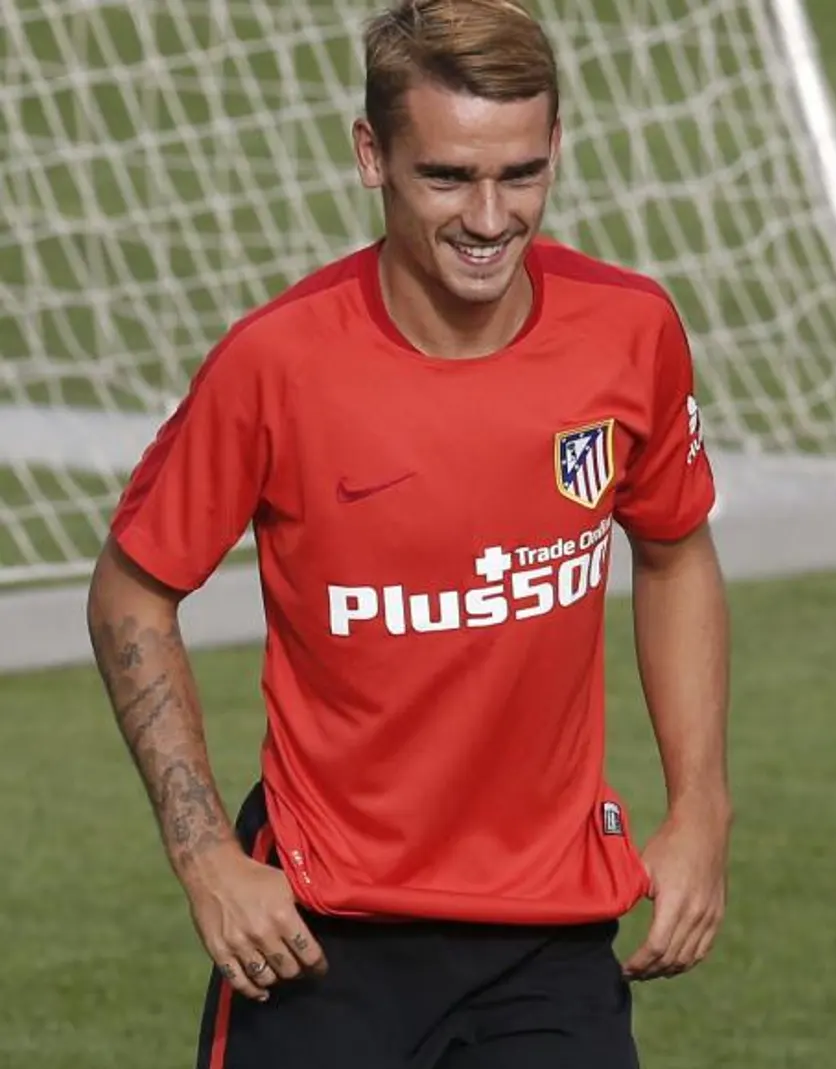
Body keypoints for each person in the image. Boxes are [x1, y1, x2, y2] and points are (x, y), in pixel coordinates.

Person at [83, 2, 731, 1066]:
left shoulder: (629, 330)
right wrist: (204, 855)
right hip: (323, 940)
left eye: (520, 173)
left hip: (551, 933)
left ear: (557, 146)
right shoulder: (276, 364)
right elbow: (130, 591)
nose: (488, 217)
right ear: (370, 155)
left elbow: (674, 548)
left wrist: (701, 807)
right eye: (446, 178)